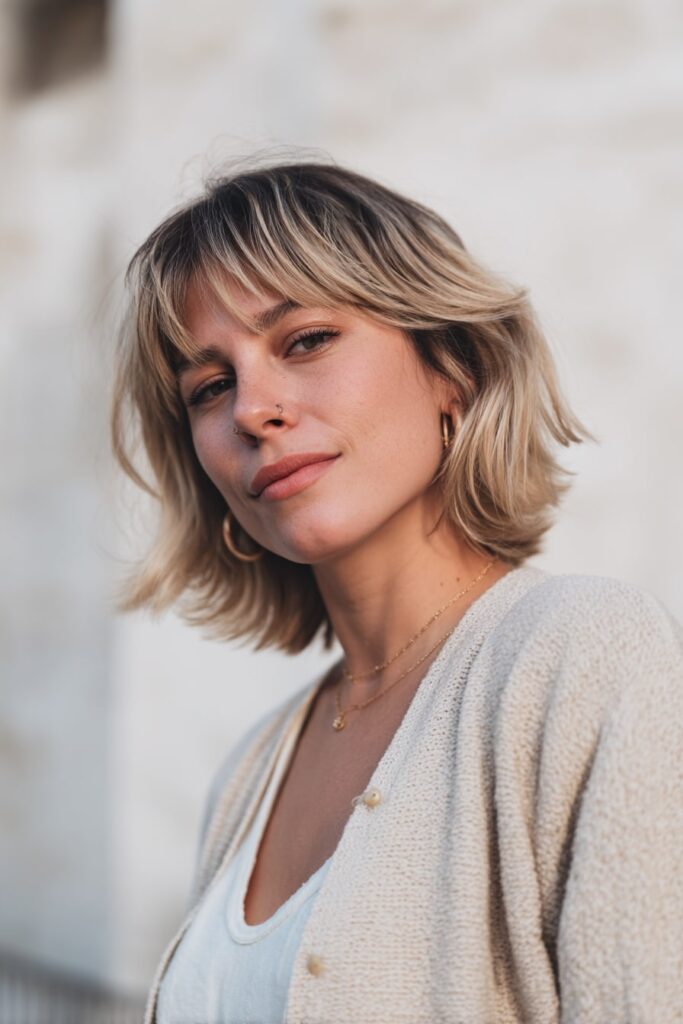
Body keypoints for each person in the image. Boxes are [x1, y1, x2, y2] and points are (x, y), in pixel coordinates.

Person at [111, 161, 683, 1024]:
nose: (253, 410)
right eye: (210, 386)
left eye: (304, 340)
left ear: (449, 369)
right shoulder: (249, 772)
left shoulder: (582, 656)